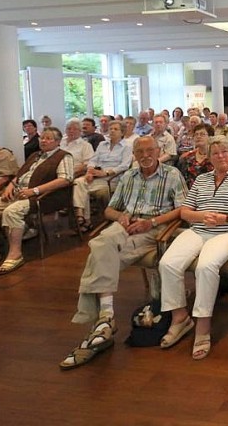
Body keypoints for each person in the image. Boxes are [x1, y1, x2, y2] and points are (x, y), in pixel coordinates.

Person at [59, 136, 187, 370]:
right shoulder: (129, 176)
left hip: (153, 227)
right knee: (100, 244)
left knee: (98, 253)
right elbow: (109, 209)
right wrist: (120, 217)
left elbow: (182, 209)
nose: (146, 155)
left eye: (150, 151)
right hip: (124, 226)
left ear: (159, 151)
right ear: (134, 155)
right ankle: (105, 320)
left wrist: (152, 222)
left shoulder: (171, 175)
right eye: (140, 152)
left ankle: (103, 320)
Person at [158, 136, 228, 360]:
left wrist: (225, 218)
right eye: (215, 153)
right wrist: (202, 216)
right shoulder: (202, 179)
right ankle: (180, 317)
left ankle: (202, 326)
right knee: (167, 263)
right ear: (210, 158)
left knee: (206, 266)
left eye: (224, 151)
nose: (220, 156)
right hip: (198, 230)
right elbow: (185, 211)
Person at [0, 127, 74, 275]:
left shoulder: (64, 156)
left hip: (43, 196)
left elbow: (65, 179)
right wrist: (11, 186)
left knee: (11, 211)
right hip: (19, 192)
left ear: (57, 142)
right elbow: (19, 175)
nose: (43, 140)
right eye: (42, 137)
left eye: (48, 138)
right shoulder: (35, 155)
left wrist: (35, 191)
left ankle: (15, 254)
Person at [72, 120, 133, 231]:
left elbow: (125, 166)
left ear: (122, 132)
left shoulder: (127, 146)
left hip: (112, 178)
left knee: (83, 188)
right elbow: (93, 160)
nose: (112, 131)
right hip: (96, 175)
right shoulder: (102, 144)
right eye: (110, 129)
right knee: (78, 182)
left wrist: (106, 173)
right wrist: (90, 171)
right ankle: (81, 215)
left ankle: (85, 221)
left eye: (116, 129)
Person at [176, 123, 214, 187]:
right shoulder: (187, 158)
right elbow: (181, 179)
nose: (198, 136)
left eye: (202, 134)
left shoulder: (216, 157)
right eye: (196, 134)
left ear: (210, 137)